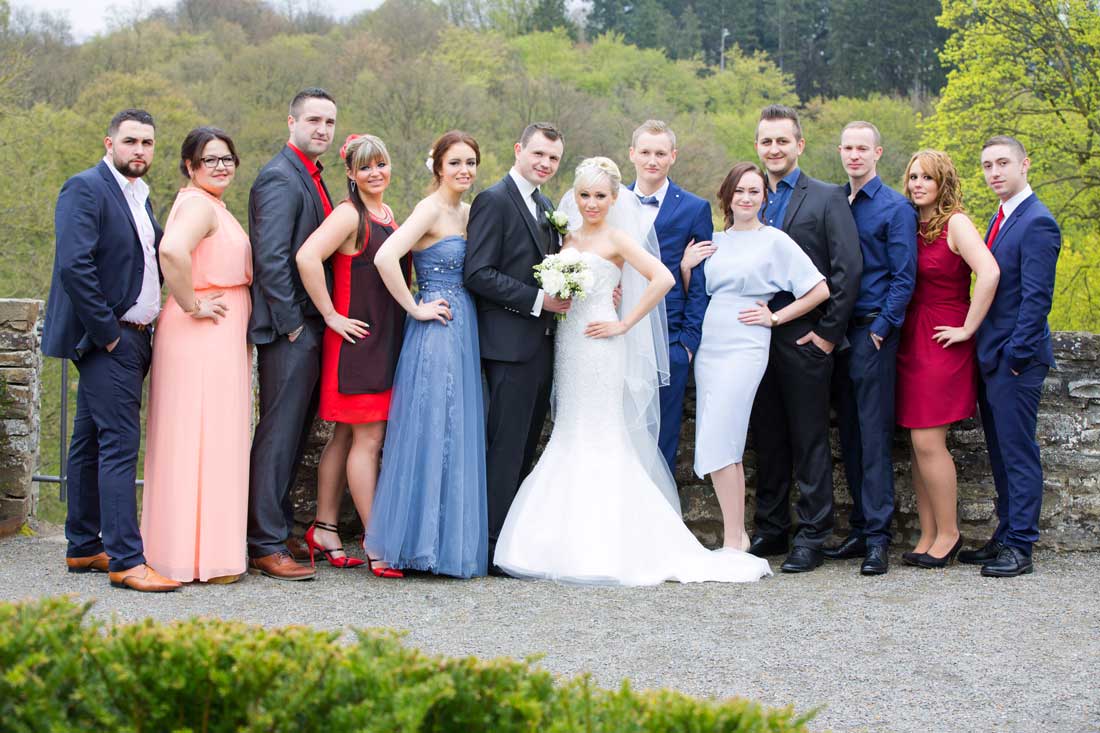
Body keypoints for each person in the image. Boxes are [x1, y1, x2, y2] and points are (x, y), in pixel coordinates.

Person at [494, 157, 771, 585]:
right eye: (584, 195)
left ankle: (610, 542)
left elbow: (661, 278)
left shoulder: (618, 238)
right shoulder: (564, 234)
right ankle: (558, 538)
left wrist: (624, 322)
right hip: (568, 344)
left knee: (602, 431)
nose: (591, 203)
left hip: (603, 343)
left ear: (614, 198)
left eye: (600, 196)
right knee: (569, 426)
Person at [41, 109, 180, 592]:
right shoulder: (85, 188)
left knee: (88, 441)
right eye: (131, 141)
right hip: (109, 338)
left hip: (134, 336)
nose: (140, 150)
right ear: (109, 143)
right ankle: (126, 559)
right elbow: (75, 266)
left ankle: (83, 546)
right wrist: (109, 334)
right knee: (120, 445)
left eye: (147, 142)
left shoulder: (140, 197)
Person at [364, 131, 488, 579]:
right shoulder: (429, 209)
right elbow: (386, 257)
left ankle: (444, 544)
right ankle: (414, 544)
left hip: (465, 325)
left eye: (471, 162)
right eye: (455, 162)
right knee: (431, 423)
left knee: (457, 426)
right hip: (434, 327)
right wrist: (415, 305)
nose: (464, 171)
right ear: (437, 165)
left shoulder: (470, 212)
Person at [747, 105, 862, 573]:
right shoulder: (750, 196)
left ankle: (812, 535)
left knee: (811, 438)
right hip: (755, 341)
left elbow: (847, 269)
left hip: (805, 339)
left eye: (782, 141)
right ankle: (771, 529)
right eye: (766, 141)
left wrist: (827, 336)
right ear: (757, 146)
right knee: (767, 438)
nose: (774, 149)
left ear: (799, 145)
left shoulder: (827, 197)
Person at [694, 163, 828, 553]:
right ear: (727, 196)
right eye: (739, 191)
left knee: (722, 434)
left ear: (764, 197)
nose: (746, 197)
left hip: (746, 342)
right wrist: (688, 268)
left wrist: (775, 317)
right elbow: (698, 294)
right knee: (722, 439)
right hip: (711, 342)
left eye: (754, 191)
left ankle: (735, 538)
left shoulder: (775, 241)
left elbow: (818, 289)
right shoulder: (714, 241)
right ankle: (734, 534)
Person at [140, 127, 253, 584]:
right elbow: (171, 249)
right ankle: (191, 556)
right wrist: (192, 303)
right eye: (210, 160)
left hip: (216, 335)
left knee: (213, 440)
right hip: (201, 332)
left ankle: (205, 553)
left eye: (228, 158)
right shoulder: (198, 205)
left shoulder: (212, 205)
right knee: (199, 439)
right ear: (190, 166)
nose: (222, 166)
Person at [294, 134, 409, 573]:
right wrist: (330, 315)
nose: (375, 173)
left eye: (381, 164)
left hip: (381, 341)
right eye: (365, 167)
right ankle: (376, 542)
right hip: (356, 345)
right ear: (350, 173)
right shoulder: (349, 215)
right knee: (369, 439)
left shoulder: (386, 215)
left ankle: (324, 527)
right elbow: (307, 258)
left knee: (343, 436)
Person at [464, 123, 568, 572]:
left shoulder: (545, 205)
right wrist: (537, 300)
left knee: (525, 449)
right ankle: (488, 548)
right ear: (518, 149)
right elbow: (478, 272)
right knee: (502, 450)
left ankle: (510, 542)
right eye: (539, 154)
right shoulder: (494, 199)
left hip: (542, 346)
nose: (545, 164)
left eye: (553, 158)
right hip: (506, 347)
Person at [246, 87, 337, 581]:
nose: (322, 129)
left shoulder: (312, 175)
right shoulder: (280, 177)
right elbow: (272, 259)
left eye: (329, 122)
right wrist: (294, 327)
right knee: (279, 435)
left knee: (296, 433)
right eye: (314, 120)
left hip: (311, 327)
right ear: (292, 122)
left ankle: (276, 532)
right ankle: (263, 544)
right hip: (290, 331)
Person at [895, 149, 1000, 570]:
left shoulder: (955, 222)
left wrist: (968, 327)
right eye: (913, 177)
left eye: (927, 178)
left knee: (928, 440)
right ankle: (928, 533)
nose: (917, 184)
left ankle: (950, 533)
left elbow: (989, 272)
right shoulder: (910, 223)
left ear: (943, 183)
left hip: (944, 338)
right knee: (915, 443)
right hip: (910, 337)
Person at [962, 136, 1060, 577]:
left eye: (1003, 163)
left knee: (1019, 453)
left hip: (1014, 360)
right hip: (993, 356)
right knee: (1000, 453)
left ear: (1026, 165)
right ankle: (1004, 535)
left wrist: (1016, 356)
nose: (994, 172)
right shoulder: (1000, 218)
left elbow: (1037, 300)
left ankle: (1021, 547)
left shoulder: (1038, 222)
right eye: (987, 166)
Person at [824, 122, 918, 575]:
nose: (854, 155)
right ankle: (860, 528)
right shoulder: (834, 201)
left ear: (877, 152)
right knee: (850, 435)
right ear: (840, 152)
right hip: (836, 332)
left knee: (875, 435)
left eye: (863, 148)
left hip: (872, 333)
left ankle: (880, 537)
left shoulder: (895, 208)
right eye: (848, 148)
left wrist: (883, 327)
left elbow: (904, 276)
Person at [626, 120, 714, 475]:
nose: (652, 160)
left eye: (660, 153)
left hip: (670, 340)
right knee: (622, 432)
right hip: (623, 335)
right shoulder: (612, 201)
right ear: (632, 154)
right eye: (645, 152)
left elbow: (702, 282)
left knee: (663, 437)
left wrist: (687, 345)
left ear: (672, 157)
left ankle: (657, 521)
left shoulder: (694, 208)